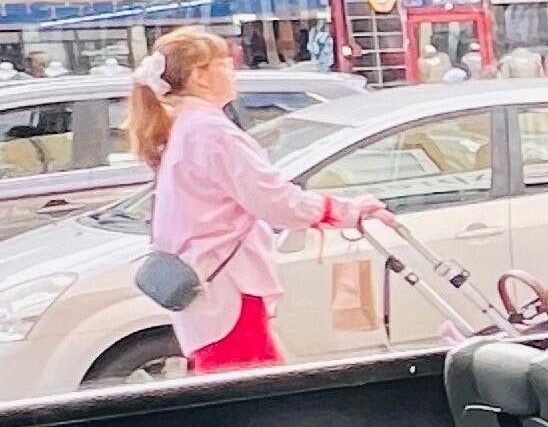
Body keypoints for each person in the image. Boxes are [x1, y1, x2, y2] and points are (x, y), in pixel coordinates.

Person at [128, 26, 383, 374]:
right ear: (200, 75)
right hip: (229, 286)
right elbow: (274, 199)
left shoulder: (187, 129)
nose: (235, 75)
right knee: (252, 391)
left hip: (205, 288)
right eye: (226, 66)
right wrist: (340, 210)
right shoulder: (212, 132)